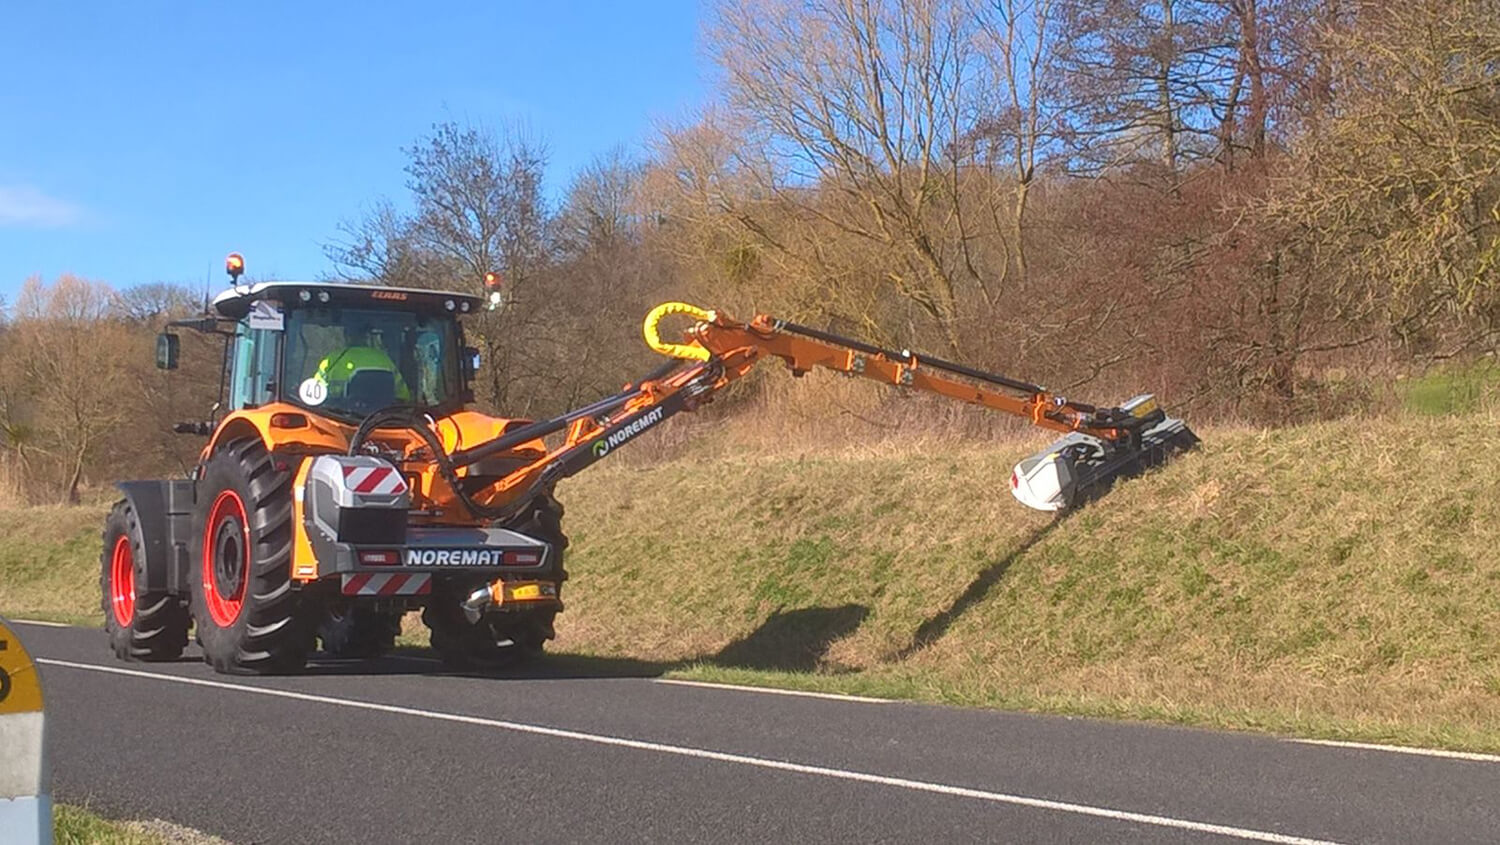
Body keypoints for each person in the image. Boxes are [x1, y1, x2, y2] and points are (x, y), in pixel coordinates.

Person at [312, 324, 411, 405]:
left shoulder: (332, 359)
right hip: (381, 419)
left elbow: (314, 395)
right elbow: (403, 397)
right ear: (365, 336)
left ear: (346, 335)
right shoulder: (384, 359)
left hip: (337, 417)